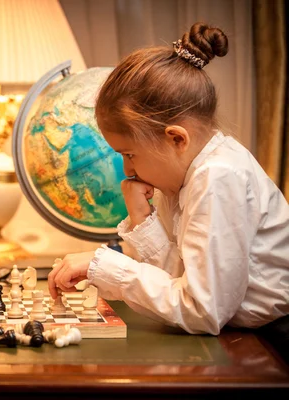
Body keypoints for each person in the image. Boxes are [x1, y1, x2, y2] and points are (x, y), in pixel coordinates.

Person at [49, 22, 289, 358]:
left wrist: (103, 266)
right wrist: (141, 218)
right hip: (239, 337)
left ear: (176, 138)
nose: (128, 171)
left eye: (129, 154)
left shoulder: (217, 177)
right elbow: (179, 279)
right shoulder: (184, 175)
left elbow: (203, 310)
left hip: (274, 342)